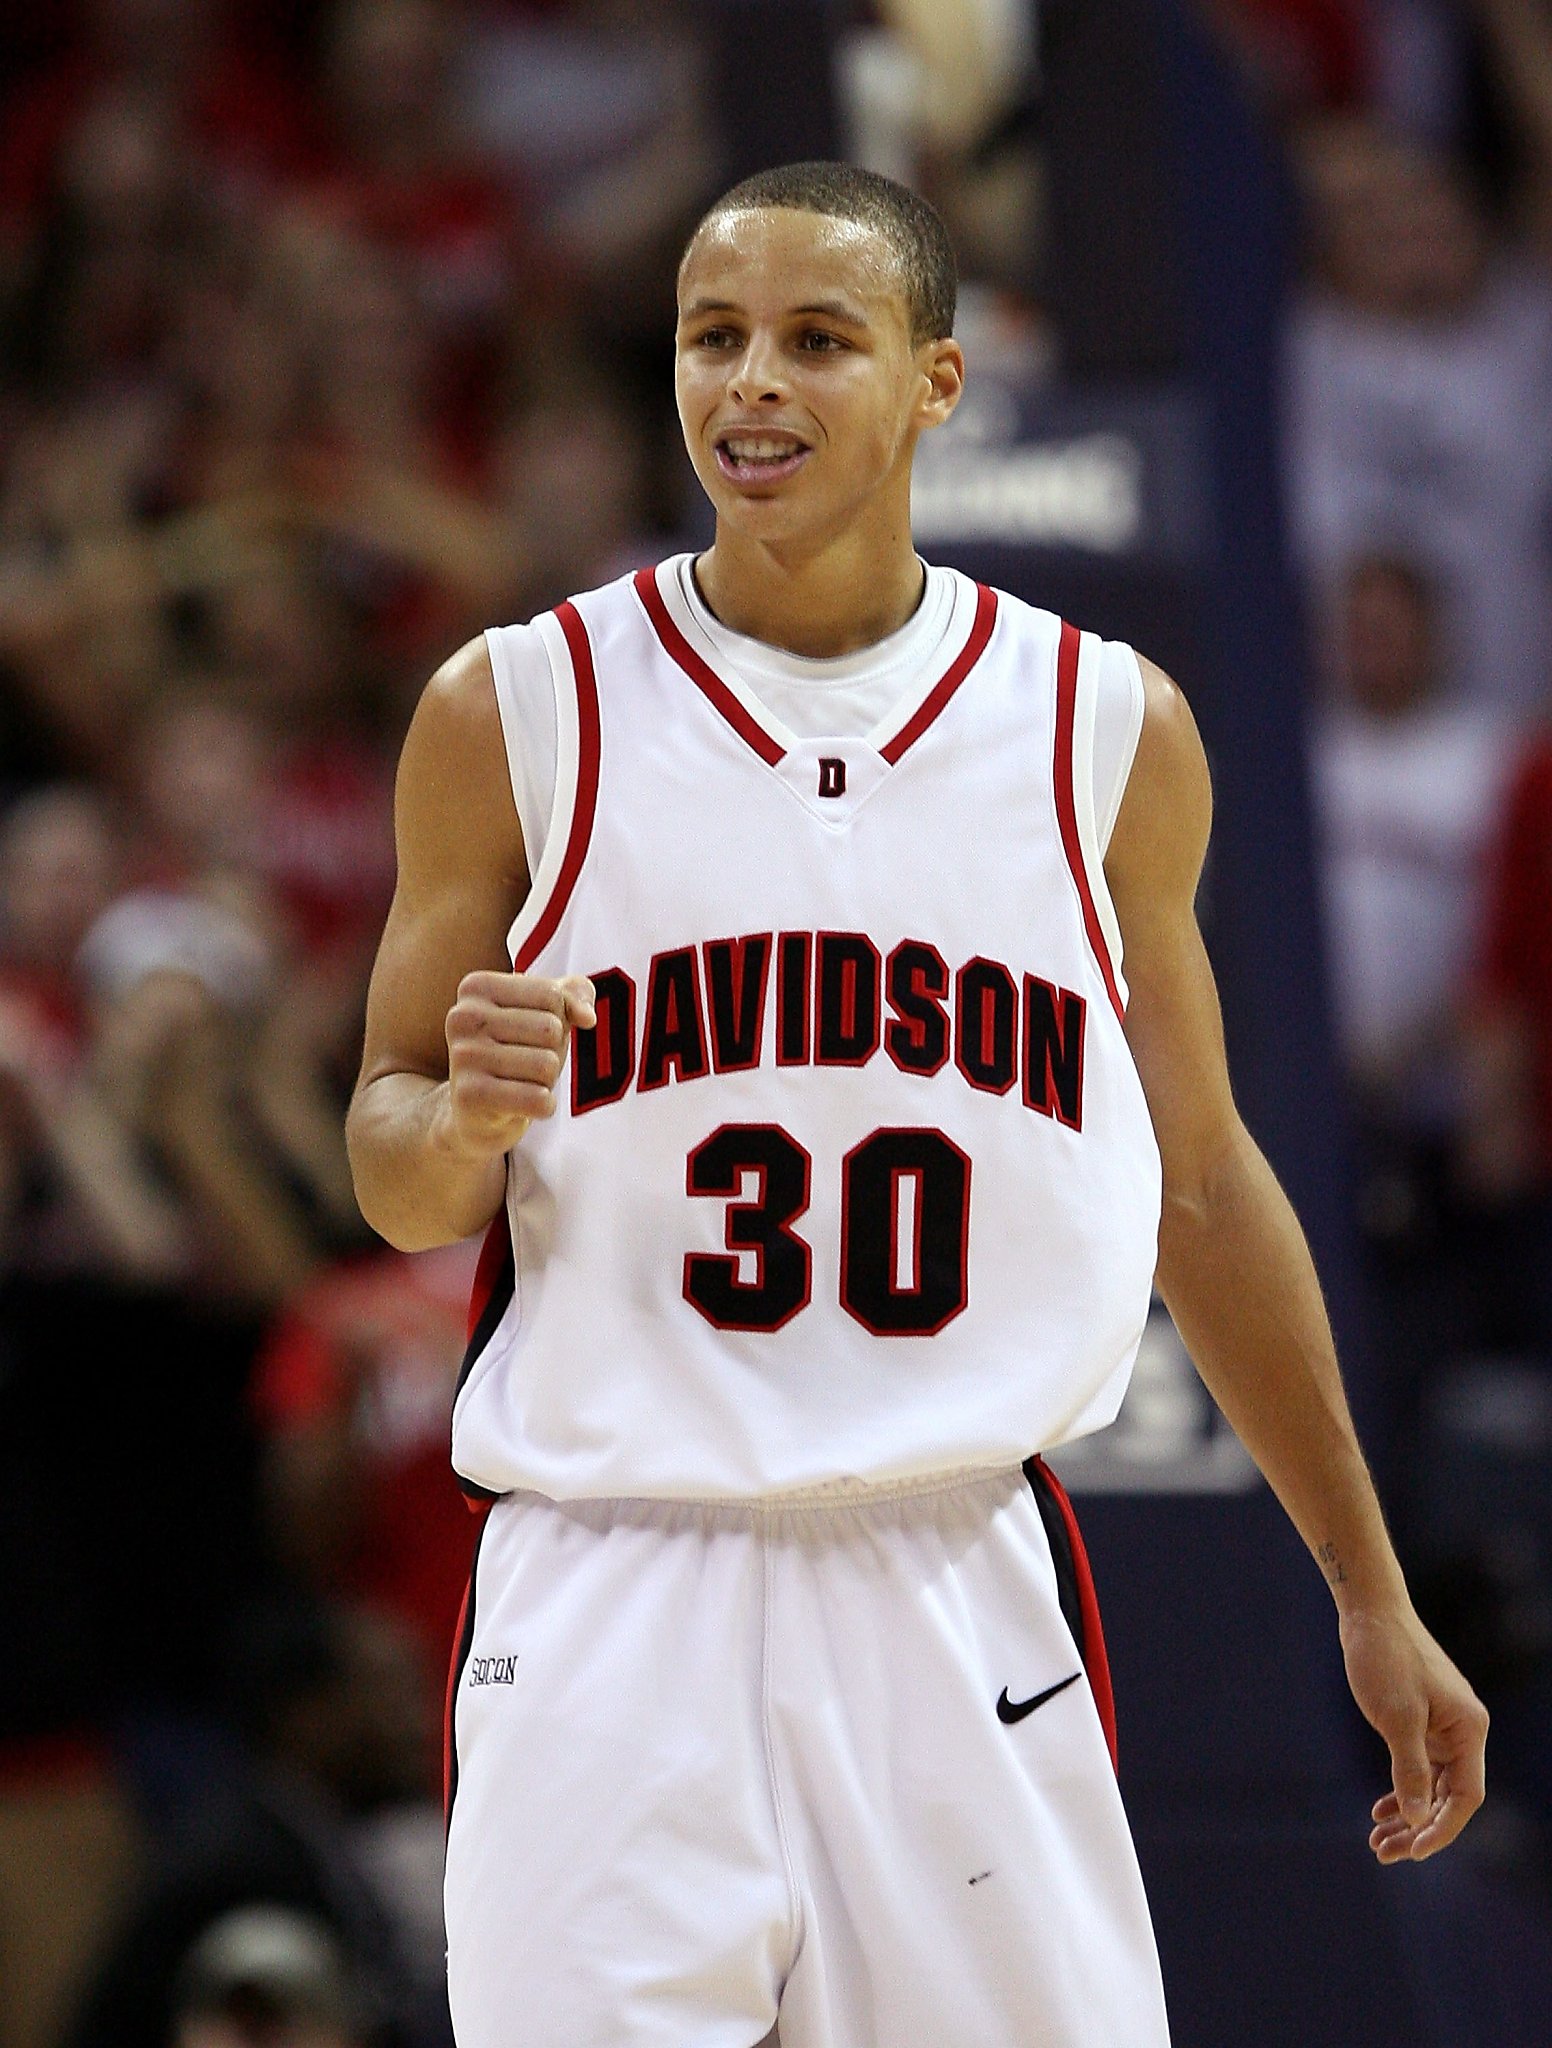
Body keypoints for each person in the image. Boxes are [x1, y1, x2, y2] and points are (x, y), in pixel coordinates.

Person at [346, 162, 1489, 2047]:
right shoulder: (516, 710)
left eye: (816, 339)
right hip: (614, 1581)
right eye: (715, 339)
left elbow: (1199, 1187)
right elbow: (394, 1183)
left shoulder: (1102, 730)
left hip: (947, 1576)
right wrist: (453, 1121)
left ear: (939, 383)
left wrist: (1366, 1587)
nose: (752, 387)